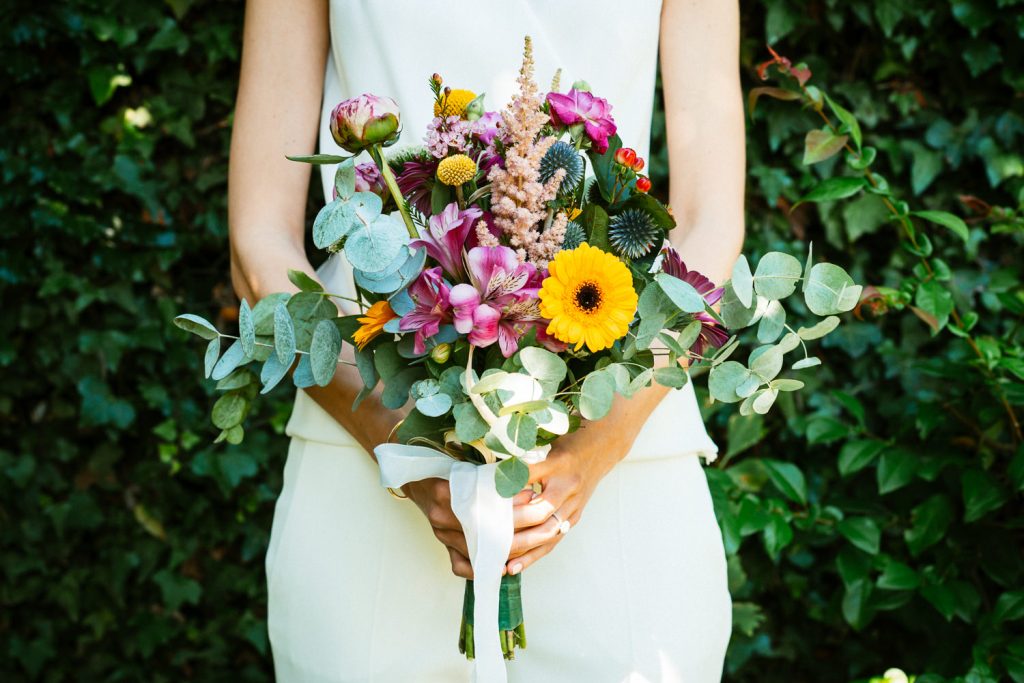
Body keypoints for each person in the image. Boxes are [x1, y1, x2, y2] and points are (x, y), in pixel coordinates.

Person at [228, 1, 745, 680]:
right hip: (363, 458)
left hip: (622, 465)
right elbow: (258, 245)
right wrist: (400, 441)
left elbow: (710, 224)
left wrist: (597, 445)